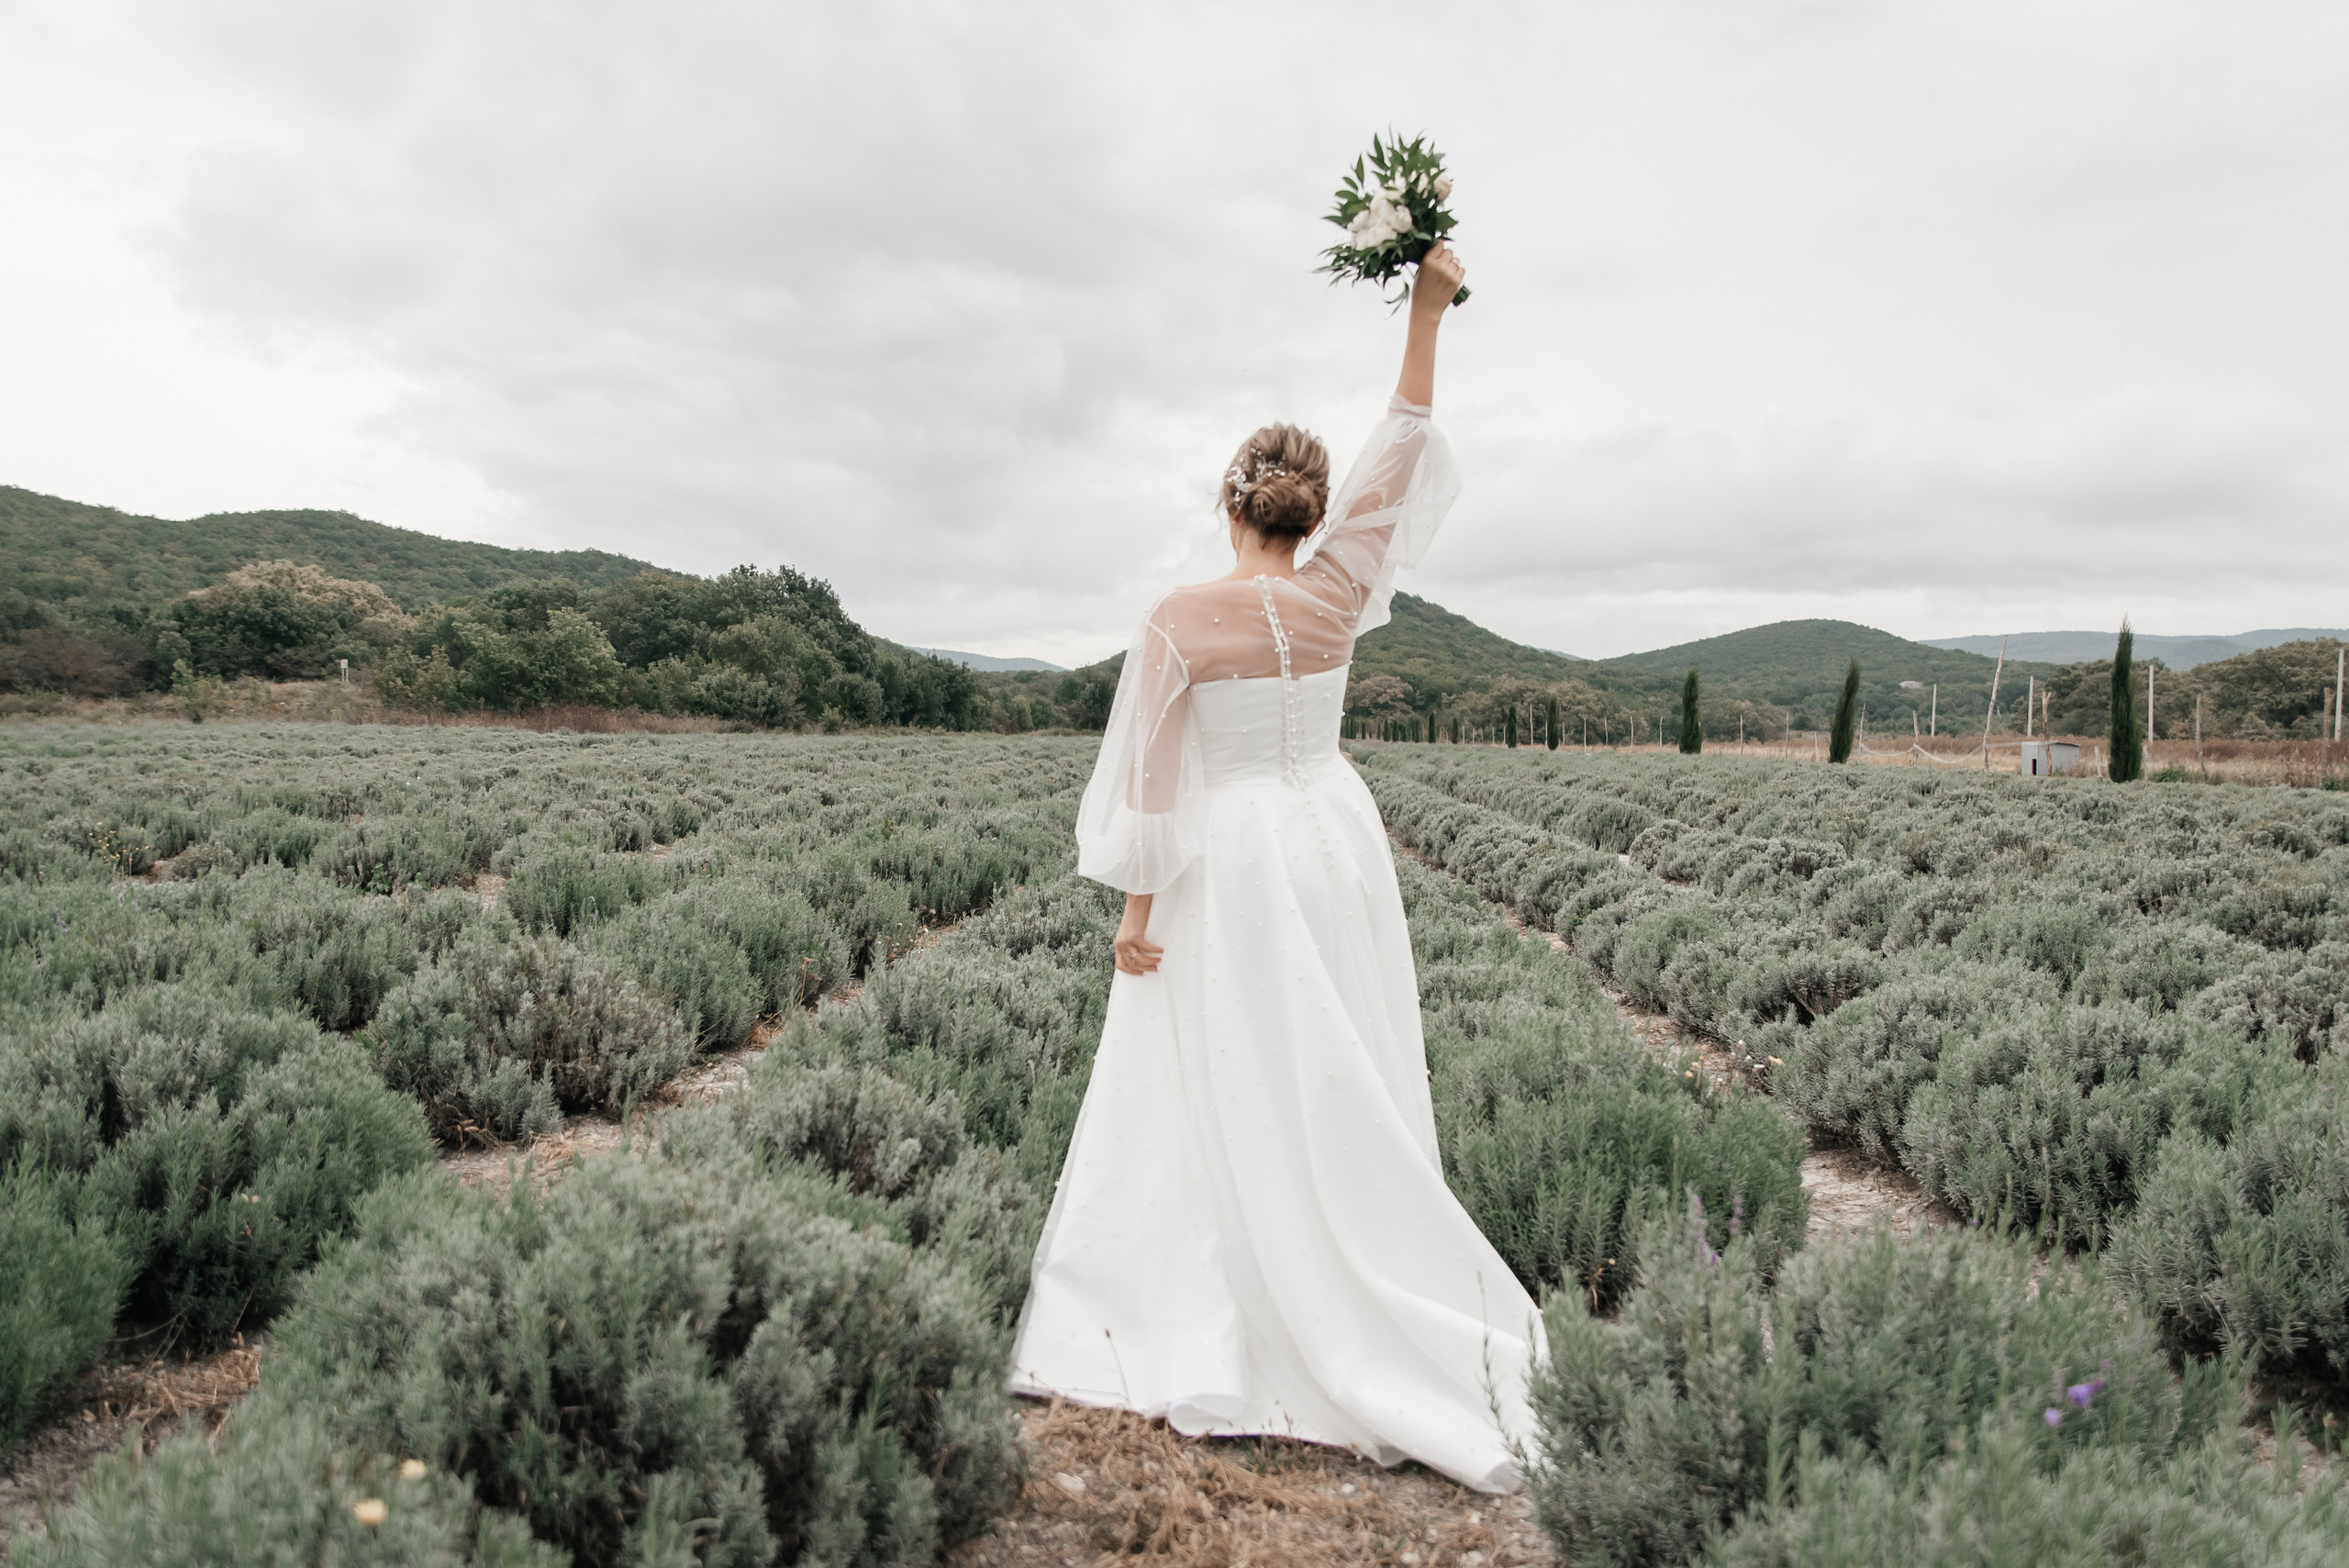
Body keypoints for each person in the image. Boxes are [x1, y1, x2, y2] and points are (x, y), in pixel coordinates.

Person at [1008, 244, 1542, 1492]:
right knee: (1337, 1055)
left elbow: (1148, 782)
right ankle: (1363, 1257)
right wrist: (1425, 307)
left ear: (1228, 505)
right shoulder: (1341, 591)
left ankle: (1247, 1298)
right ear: (1307, 514)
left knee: (1228, 1067)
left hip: (1236, 856)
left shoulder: (1177, 620)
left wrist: (1139, 915)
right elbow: (1403, 439)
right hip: (1338, 843)